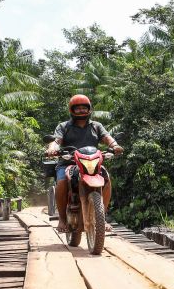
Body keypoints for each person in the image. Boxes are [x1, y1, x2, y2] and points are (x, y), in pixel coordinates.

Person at [46, 94, 123, 232]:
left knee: (106, 179)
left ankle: (102, 218)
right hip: (68, 162)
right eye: (78, 108)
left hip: (92, 162)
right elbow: (57, 141)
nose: (81, 111)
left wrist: (115, 146)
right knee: (62, 182)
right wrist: (52, 148)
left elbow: (107, 138)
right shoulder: (64, 126)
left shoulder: (96, 126)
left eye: (84, 108)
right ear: (72, 110)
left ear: (89, 109)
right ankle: (62, 220)